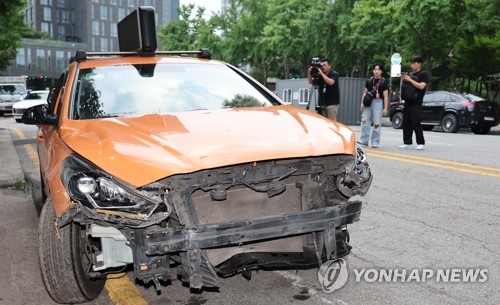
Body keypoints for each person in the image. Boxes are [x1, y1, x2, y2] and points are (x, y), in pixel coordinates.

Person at [399, 55, 428, 150]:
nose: (413, 65)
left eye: (414, 63)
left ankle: (421, 142)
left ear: (419, 64)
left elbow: (421, 86)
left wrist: (409, 80)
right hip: (408, 101)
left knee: (416, 122)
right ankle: (407, 142)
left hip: (417, 102)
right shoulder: (410, 74)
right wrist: (404, 79)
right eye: (411, 63)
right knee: (406, 122)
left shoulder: (423, 74)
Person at [358, 63, 389, 148]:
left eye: (378, 70)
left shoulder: (383, 82)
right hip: (368, 102)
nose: (376, 71)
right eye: (375, 69)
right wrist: (362, 103)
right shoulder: (369, 80)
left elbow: (386, 96)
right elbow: (365, 92)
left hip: (378, 102)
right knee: (364, 120)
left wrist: (385, 108)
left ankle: (375, 141)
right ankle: (364, 140)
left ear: (381, 71)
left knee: (377, 122)